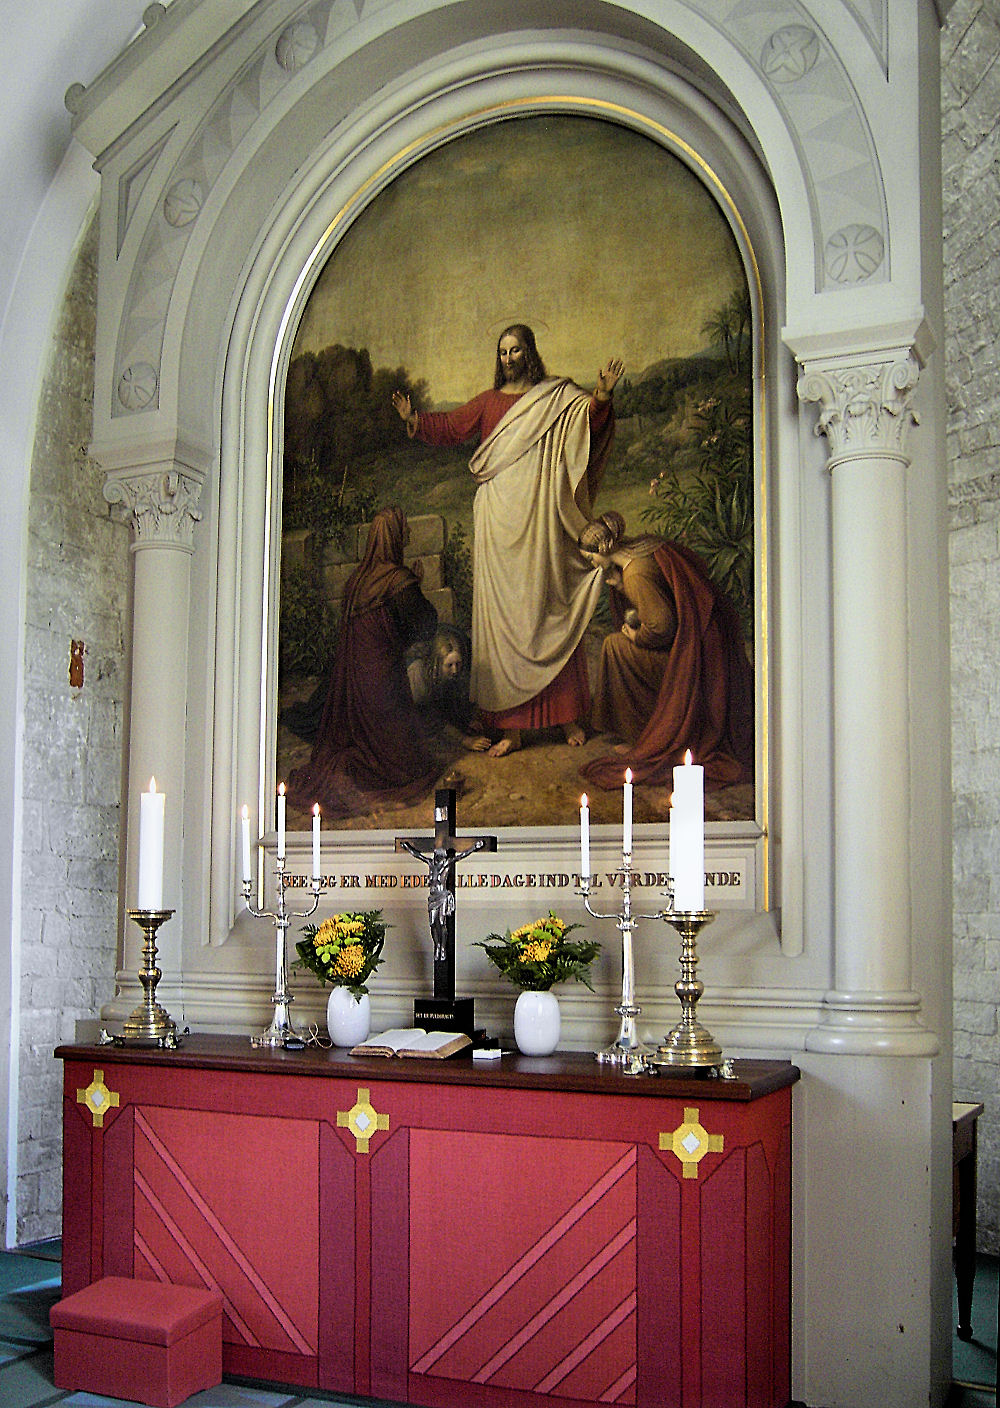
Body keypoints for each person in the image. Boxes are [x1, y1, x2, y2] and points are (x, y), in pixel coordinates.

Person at [392, 324, 624, 756]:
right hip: (498, 523)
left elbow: (586, 425)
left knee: (546, 608)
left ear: (529, 353)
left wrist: (602, 396)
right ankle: (511, 726)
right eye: (502, 352)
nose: (508, 358)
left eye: (515, 350)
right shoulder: (488, 402)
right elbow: (452, 426)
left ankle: (565, 715)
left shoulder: (554, 397)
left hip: (542, 520)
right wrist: (415, 421)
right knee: (505, 621)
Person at [578, 511, 754, 790]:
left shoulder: (635, 574)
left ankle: (644, 737)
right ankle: (648, 731)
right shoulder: (644, 547)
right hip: (707, 644)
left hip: (694, 661)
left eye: (591, 558)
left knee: (615, 646)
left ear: (604, 550)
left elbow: (661, 628)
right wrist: (620, 585)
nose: (593, 565)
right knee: (617, 643)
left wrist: (636, 636)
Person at [287, 506, 439, 813]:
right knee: (403, 761)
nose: (408, 533)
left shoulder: (356, 580)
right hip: (384, 676)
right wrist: (417, 588)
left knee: (367, 736)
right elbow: (425, 624)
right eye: (404, 529)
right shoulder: (398, 580)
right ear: (394, 536)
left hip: (354, 679)